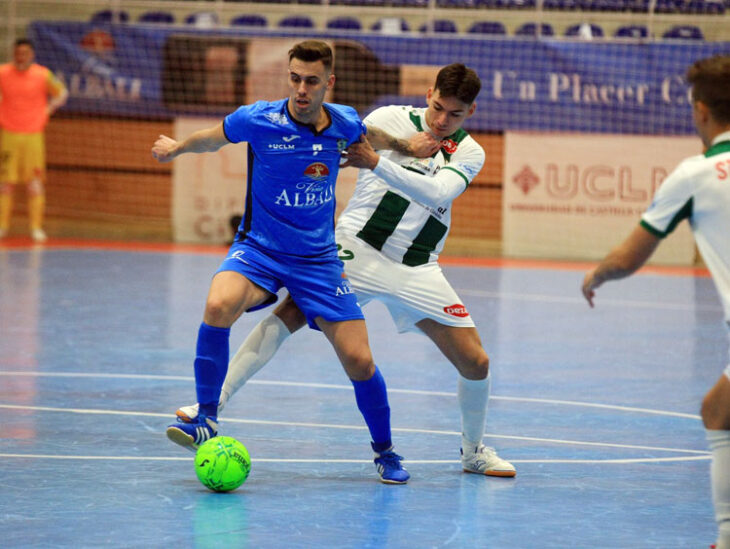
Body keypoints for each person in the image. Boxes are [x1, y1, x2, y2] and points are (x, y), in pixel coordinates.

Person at [177, 63, 516, 478]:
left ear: (472, 112)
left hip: (417, 268)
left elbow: (438, 192)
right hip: (355, 249)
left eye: (456, 114)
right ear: (429, 93)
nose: (444, 120)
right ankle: (211, 406)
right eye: (439, 107)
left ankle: (473, 451)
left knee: (476, 362)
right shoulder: (387, 119)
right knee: (289, 314)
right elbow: (325, 147)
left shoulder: (470, 151)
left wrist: (377, 162)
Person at [151, 40, 409, 484]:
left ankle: (385, 452)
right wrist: (176, 148)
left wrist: (407, 146)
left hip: (318, 262)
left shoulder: (344, 121)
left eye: (311, 81)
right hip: (260, 251)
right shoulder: (260, 119)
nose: (301, 89)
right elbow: (211, 139)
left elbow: (375, 138)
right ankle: (206, 419)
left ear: (329, 82)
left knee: (359, 361)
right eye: (295, 79)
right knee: (217, 306)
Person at [581, 54, 730, 549]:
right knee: (719, 410)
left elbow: (630, 256)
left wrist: (597, 276)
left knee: (719, 415)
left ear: (702, 111)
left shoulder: (697, 173)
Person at [0, 38, 68, 242]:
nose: (21, 57)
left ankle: (36, 227)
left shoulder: (43, 74)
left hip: (33, 136)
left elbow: (63, 92)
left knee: (35, 183)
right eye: (18, 53)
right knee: (5, 183)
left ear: (32, 54)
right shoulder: (3, 73)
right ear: (14, 54)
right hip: (9, 134)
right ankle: (2, 226)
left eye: (25, 53)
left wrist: (48, 109)